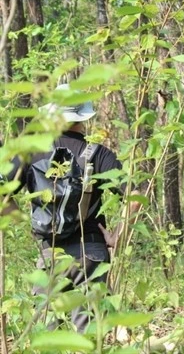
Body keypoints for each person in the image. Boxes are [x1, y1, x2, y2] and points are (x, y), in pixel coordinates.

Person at [2, 83, 139, 332]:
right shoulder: (99, 154)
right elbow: (135, 195)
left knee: (46, 333)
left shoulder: (31, 152)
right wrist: (118, 234)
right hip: (92, 252)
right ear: (83, 117)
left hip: (50, 253)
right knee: (89, 333)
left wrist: (24, 222)